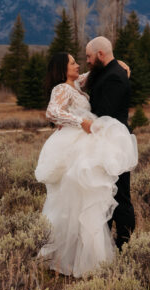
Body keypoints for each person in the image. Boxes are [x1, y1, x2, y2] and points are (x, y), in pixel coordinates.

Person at [35, 50, 138, 277]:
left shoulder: (77, 84)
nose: (78, 65)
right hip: (76, 144)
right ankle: (72, 256)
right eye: (73, 63)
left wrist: (118, 63)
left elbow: (95, 72)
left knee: (86, 199)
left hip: (86, 142)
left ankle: (87, 255)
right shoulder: (61, 88)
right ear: (63, 68)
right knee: (74, 198)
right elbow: (52, 112)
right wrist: (80, 121)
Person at [85, 36, 135, 248]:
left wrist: (83, 122)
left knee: (120, 195)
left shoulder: (115, 76)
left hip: (114, 142)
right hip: (104, 140)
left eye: (88, 56)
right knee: (105, 191)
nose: (86, 60)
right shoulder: (107, 72)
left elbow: (106, 113)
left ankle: (125, 243)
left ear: (100, 54)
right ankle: (105, 244)